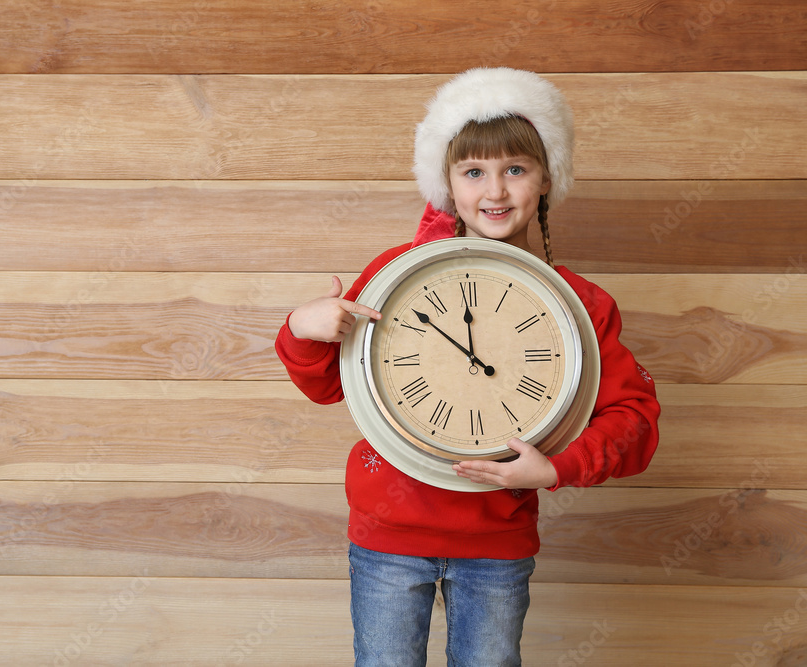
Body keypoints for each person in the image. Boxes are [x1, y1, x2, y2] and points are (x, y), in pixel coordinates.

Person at [274, 67, 660, 666]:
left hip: (496, 544)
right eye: (474, 171)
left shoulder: (579, 306)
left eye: (516, 169)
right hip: (389, 537)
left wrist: (558, 469)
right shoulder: (397, 276)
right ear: (447, 185)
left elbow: (635, 421)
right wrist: (303, 329)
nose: (496, 191)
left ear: (545, 180)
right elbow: (331, 385)